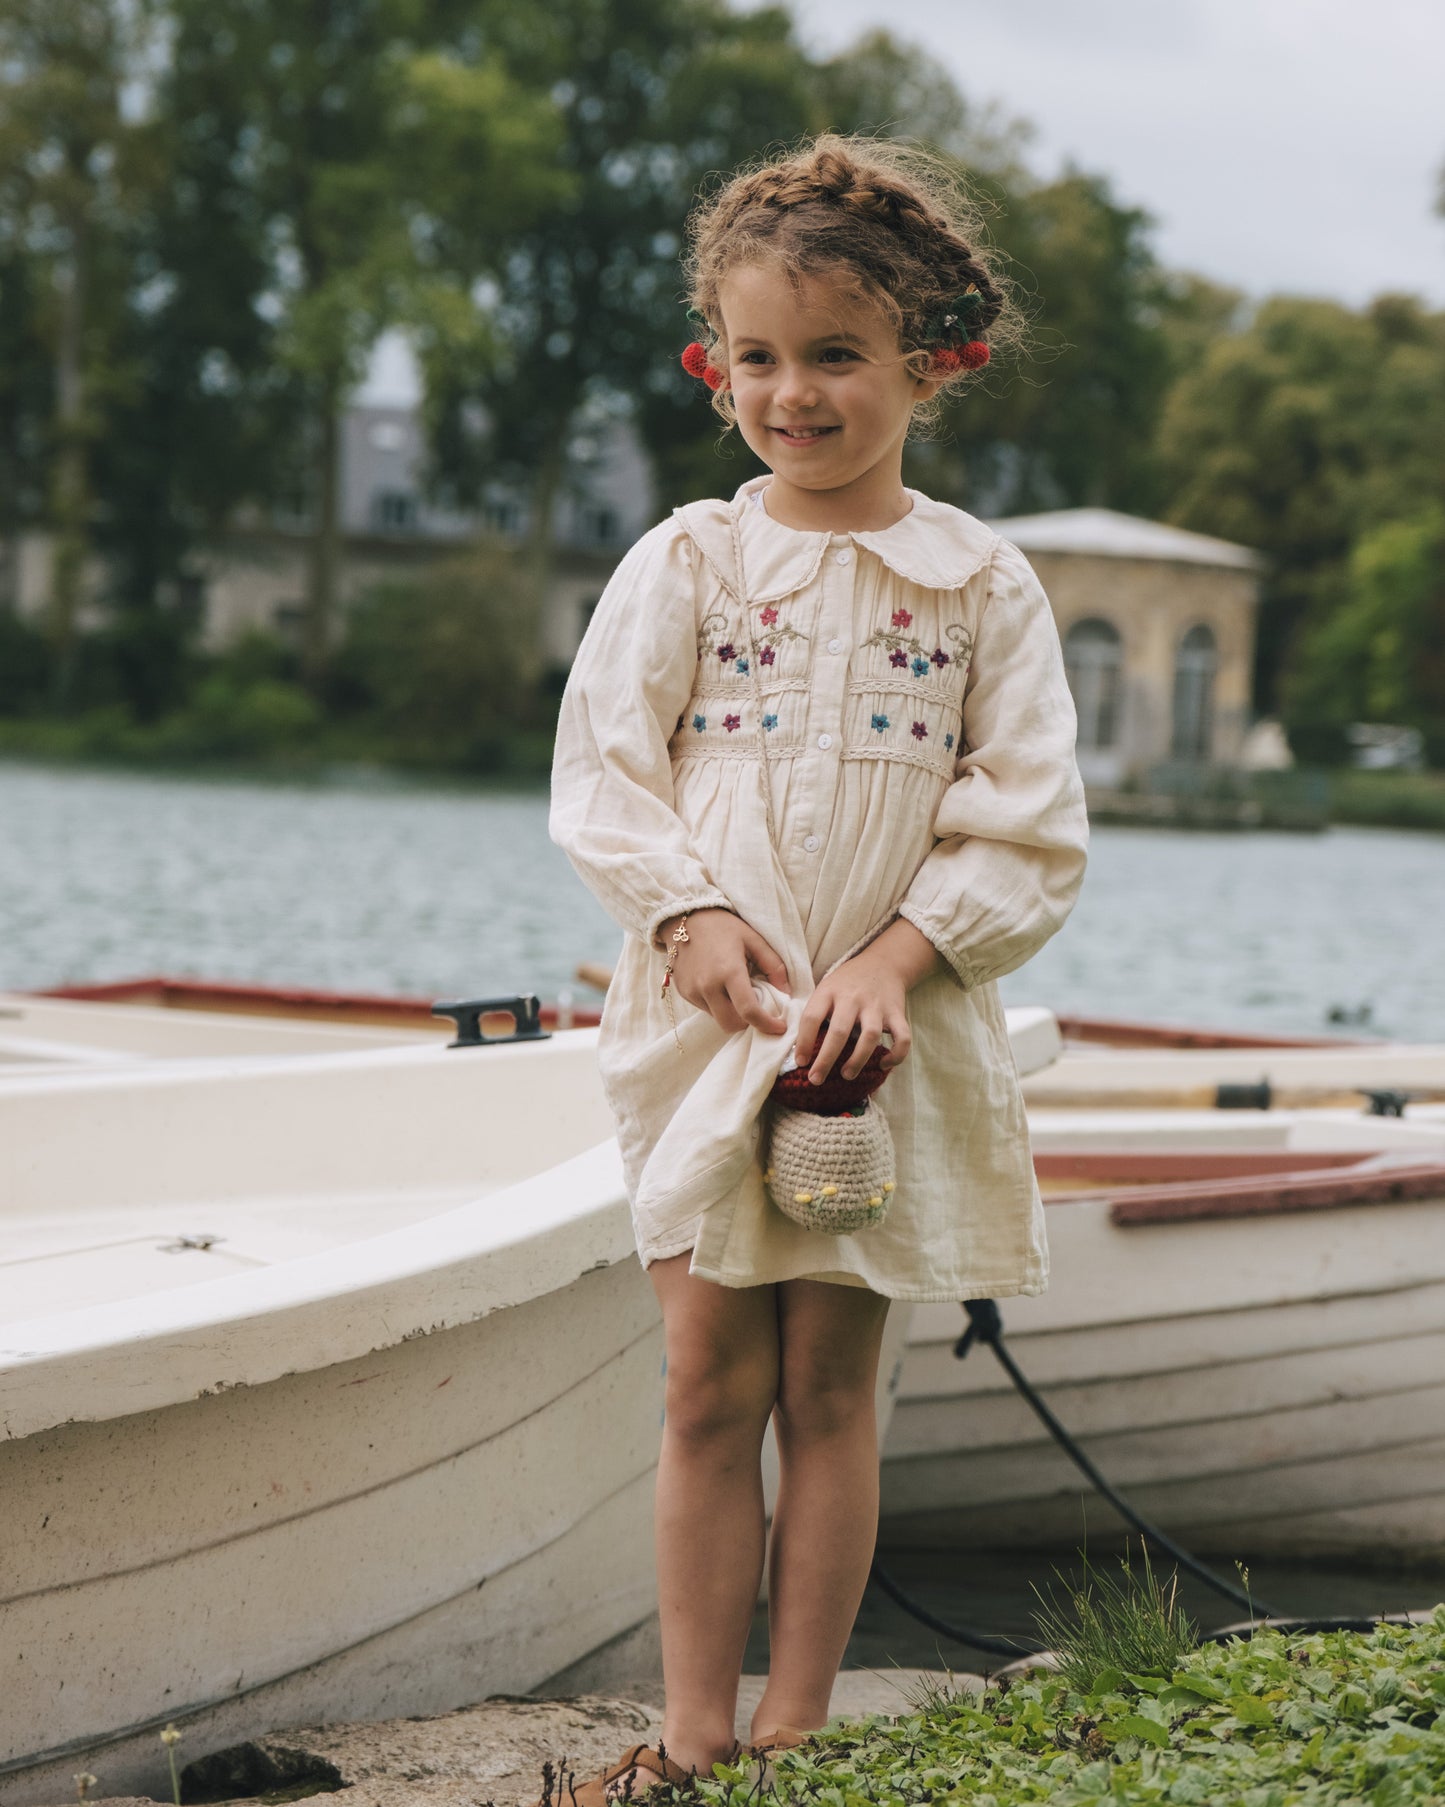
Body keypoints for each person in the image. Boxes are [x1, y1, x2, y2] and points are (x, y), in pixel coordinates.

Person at [547, 133, 1088, 1801]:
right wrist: (688, 917)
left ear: (931, 363)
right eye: (761, 358)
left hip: (884, 1035)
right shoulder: (689, 564)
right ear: (719, 368)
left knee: (831, 1384)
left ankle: (797, 1726)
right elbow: (602, 770)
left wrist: (903, 956)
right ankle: (693, 1731)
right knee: (708, 1375)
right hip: (711, 1020)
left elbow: (1028, 822)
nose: (796, 394)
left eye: (837, 355)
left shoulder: (980, 583)